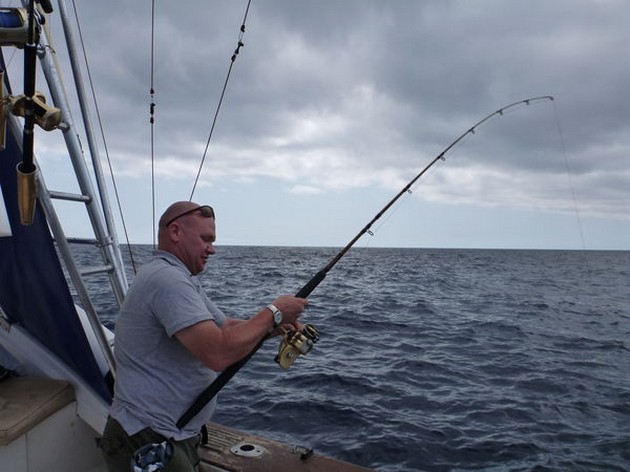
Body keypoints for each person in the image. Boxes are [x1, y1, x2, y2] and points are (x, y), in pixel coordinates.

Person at [100, 201, 308, 471]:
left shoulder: (177, 277)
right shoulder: (167, 280)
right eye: (206, 239)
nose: (212, 248)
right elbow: (218, 353)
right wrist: (275, 312)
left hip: (171, 432)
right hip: (147, 436)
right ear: (175, 232)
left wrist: (273, 328)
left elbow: (225, 328)